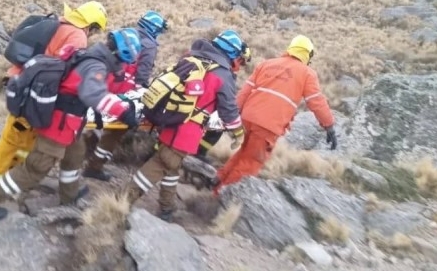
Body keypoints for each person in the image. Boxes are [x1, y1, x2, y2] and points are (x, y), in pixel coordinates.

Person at [0, 28, 142, 220]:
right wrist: (123, 111)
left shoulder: (90, 55)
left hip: (70, 125)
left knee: (75, 155)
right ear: (121, 55)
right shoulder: (96, 66)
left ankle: (69, 195)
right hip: (58, 127)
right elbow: (93, 94)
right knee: (34, 170)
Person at [0, 1, 108, 188]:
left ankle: (5, 179)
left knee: (23, 141)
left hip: (22, 84)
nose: (92, 34)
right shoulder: (77, 36)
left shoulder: (59, 23)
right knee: (12, 142)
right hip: (33, 94)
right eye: (94, 29)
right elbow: (67, 73)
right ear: (91, 24)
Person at [123, 29, 251, 222]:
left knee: (172, 164)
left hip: (170, 119)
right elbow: (228, 111)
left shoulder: (193, 58)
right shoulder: (222, 74)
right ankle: (122, 200)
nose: (239, 64)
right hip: (186, 130)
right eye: (240, 59)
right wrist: (238, 133)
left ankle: (167, 206)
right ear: (232, 54)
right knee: (163, 162)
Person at [212, 34, 337, 194]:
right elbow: (316, 101)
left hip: (246, 118)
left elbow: (244, 92)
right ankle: (223, 195)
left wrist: (231, 116)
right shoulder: (307, 73)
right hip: (268, 125)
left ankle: (218, 178)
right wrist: (329, 126)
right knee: (250, 162)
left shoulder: (267, 64)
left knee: (243, 152)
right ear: (307, 54)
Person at [83, 10, 168, 182]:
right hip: (123, 91)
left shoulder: (126, 34)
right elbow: (142, 74)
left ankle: (88, 154)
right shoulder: (149, 46)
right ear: (155, 29)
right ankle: (94, 164)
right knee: (114, 132)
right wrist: (140, 93)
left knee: (92, 120)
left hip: (106, 84)